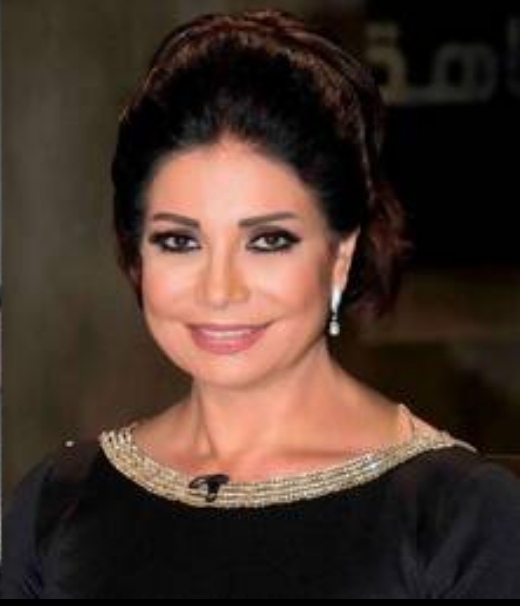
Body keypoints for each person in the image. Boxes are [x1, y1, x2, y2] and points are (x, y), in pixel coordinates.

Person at [2, 8, 520, 599]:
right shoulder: (58, 504)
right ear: (136, 255)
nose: (220, 290)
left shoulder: (458, 519)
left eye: (268, 240)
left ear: (340, 254)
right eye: (180, 241)